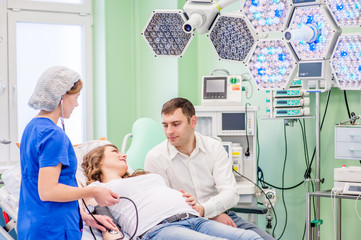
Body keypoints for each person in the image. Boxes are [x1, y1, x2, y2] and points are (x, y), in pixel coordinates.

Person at [144, 97, 274, 240]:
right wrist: (207, 215)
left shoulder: (213, 147)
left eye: (176, 124)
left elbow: (230, 193)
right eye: (165, 125)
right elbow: (164, 207)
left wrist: (206, 210)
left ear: (193, 122)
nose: (169, 131)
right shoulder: (156, 158)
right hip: (183, 224)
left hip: (221, 214)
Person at [18, 66, 120, 240]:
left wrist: (84, 217)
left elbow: (38, 186)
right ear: (62, 96)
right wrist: (93, 191)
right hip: (53, 229)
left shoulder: (32, 128)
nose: (77, 104)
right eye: (76, 97)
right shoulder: (54, 135)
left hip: (34, 225)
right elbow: (48, 191)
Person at [82, 143, 263, 240]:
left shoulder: (141, 176)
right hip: (159, 229)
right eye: (115, 151)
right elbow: (105, 225)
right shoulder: (95, 189)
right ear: (98, 161)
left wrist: (196, 205)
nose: (124, 155)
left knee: (250, 237)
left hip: (194, 219)